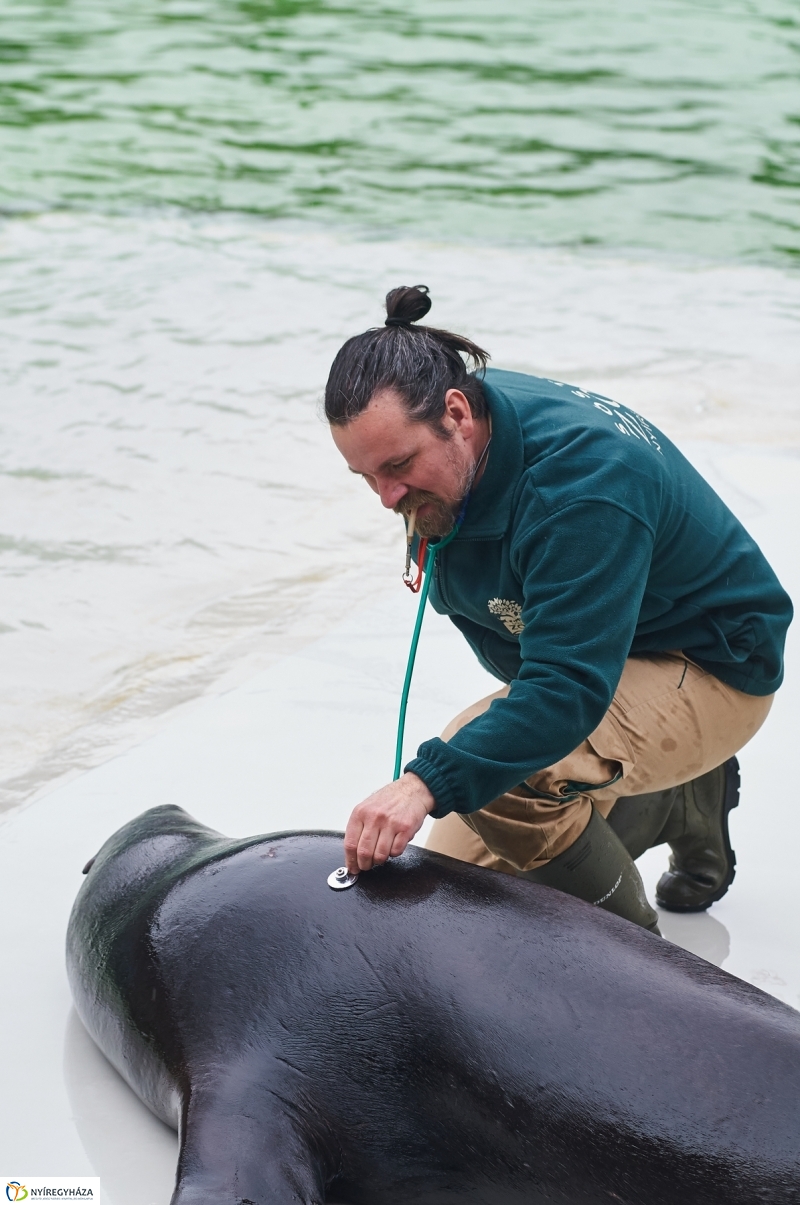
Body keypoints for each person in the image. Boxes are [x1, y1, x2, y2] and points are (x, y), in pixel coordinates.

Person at [325, 284, 792, 931]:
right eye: (367, 476)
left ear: (457, 412)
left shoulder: (581, 486)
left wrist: (423, 783)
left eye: (399, 465)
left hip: (712, 662)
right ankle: (674, 800)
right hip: (612, 652)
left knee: (502, 788)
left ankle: (639, 961)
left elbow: (565, 688)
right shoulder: (460, 436)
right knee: (460, 885)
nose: (386, 496)